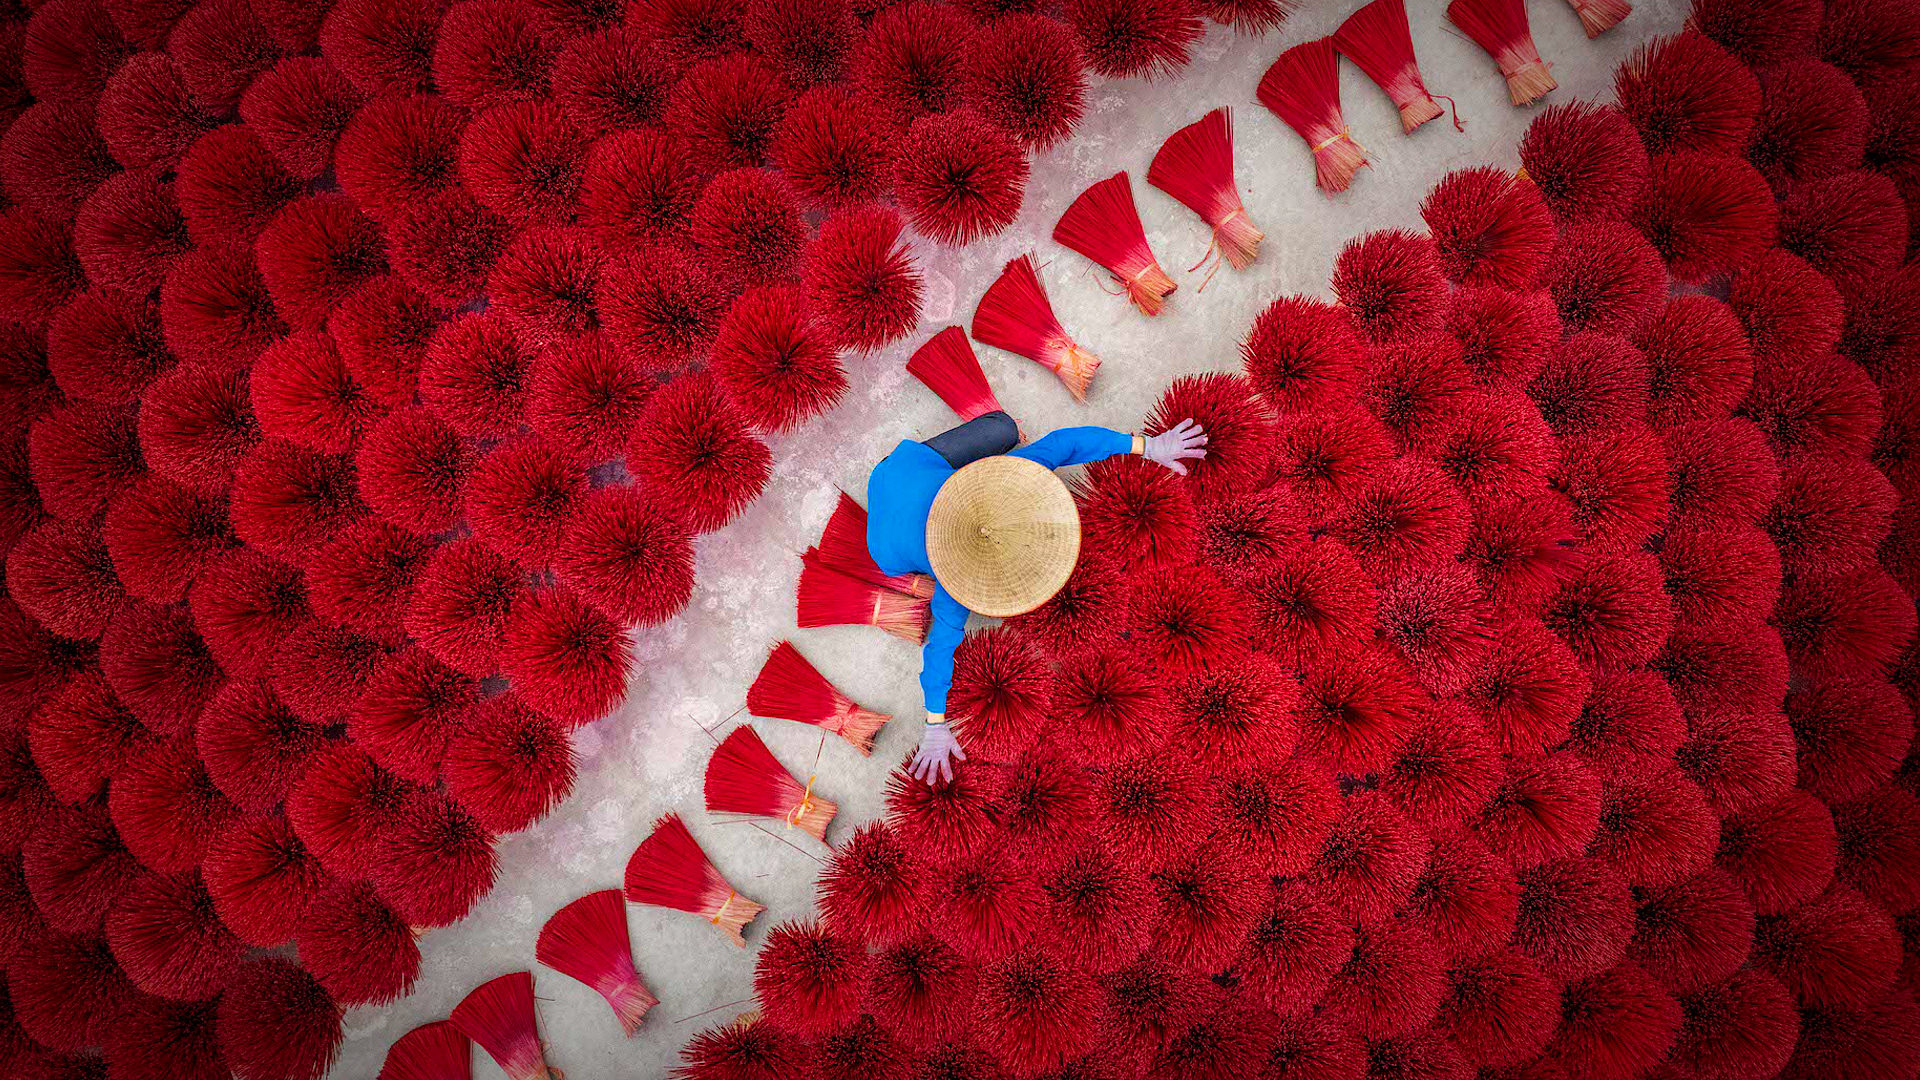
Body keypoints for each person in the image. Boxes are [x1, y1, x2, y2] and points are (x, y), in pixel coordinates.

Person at [865, 409, 1209, 784]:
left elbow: (1067, 443)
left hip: (901, 472)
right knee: (1005, 430)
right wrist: (1147, 447)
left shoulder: (958, 571)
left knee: (1003, 429)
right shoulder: (953, 590)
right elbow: (937, 653)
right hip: (895, 489)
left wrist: (1150, 445)